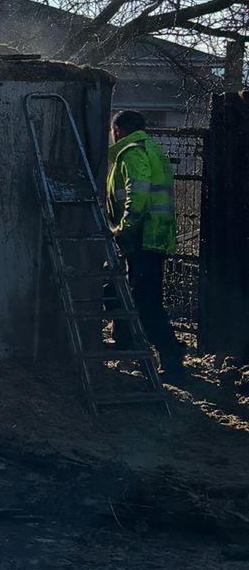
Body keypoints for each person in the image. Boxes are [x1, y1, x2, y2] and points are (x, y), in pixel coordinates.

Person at [107, 110, 185, 374]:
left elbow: (137, 194)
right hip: (155, 236)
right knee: (134, 293)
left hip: (143, 237)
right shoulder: (152, 150)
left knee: (145, 301)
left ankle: (171, 354)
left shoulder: (131, 153)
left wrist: (124, 228)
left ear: (117, 130)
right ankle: (130, 343)